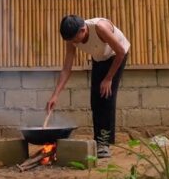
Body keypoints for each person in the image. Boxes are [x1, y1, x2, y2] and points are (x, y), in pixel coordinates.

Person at [47, 15, 130, 158]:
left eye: (74, 39)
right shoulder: (72, 38)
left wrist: (108, 78)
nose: (73, 42)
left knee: (106, 97)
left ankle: (104, 144)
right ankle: (98, 141)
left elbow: (121, 52)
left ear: (83, 30)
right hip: (99, 57)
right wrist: (55, 95)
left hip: (116, 56)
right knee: (95, 101)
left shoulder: (99, 28)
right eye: (70, 40)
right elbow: (67, 68)